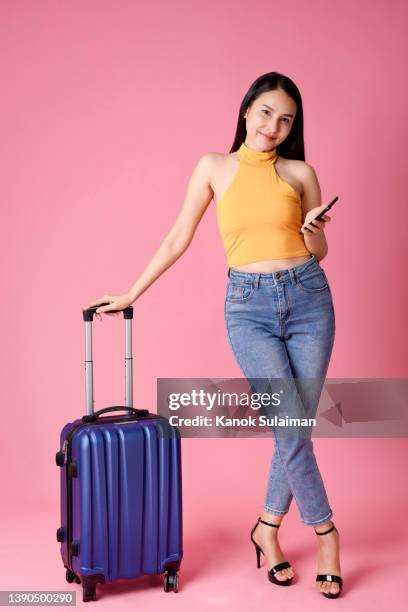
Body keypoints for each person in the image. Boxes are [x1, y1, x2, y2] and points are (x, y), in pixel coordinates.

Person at [83, 72, 343, 599]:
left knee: (292, 428)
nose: (274, 126)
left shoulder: (300, 172)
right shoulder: (214, 167)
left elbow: (321, 254)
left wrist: (314, 237)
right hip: (248, 309)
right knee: (292, 428)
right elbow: (180, 235)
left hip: (311, 298)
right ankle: (328, 536)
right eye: (266, 112)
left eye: (286, 119)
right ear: (247, 110)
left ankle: (266, 531)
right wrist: (133, 292)